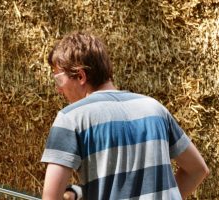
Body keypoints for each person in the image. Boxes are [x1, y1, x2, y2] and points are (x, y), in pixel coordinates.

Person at [41, 31, 209, 200]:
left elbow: (51, 197)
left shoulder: (71, 118)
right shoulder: (155, 109)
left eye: (58, 80)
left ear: (80, 76)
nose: (58, 89)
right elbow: (197, 170)